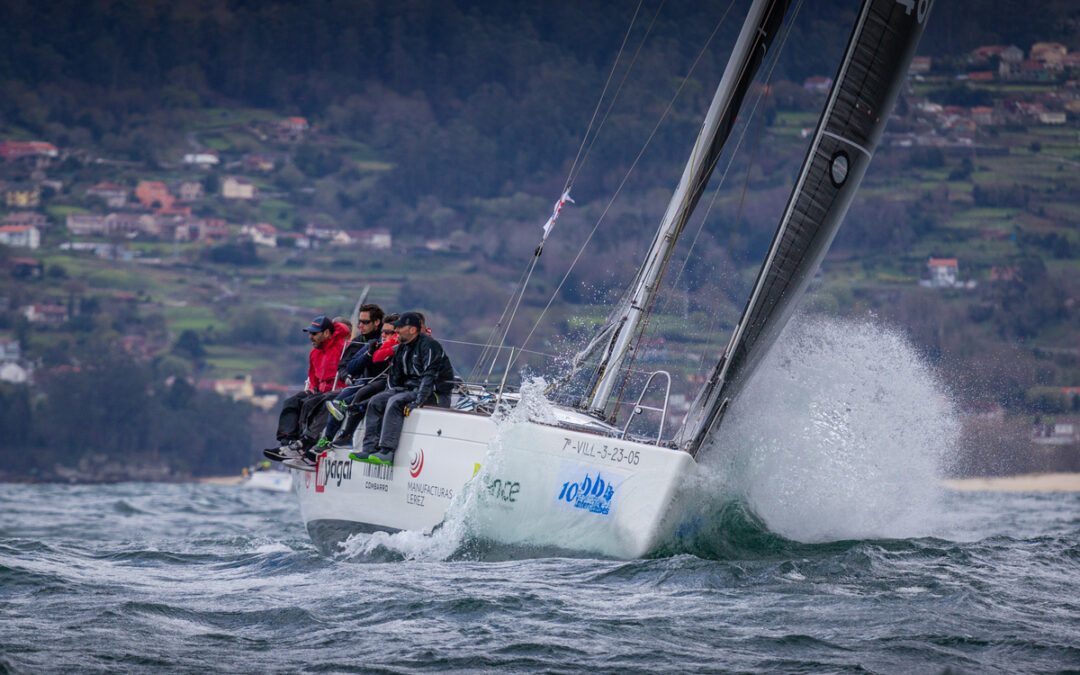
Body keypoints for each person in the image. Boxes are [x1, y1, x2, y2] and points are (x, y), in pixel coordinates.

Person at [350, 311, 455, 466]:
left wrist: (418, 401)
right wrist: (391, 391)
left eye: (400, 327)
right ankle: (370, 449)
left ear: (412, 330)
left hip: (436, 393)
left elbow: (429, 376)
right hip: (411, 390)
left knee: (395, 401)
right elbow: (395, 379)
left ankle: (387, 452)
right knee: (376, 401)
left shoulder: (429, 346)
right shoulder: (402, 348)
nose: (396, 331)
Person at [263, 314, 350, 461]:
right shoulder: (314, 353)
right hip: (320, 390)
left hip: (337, 390)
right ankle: (287, 442)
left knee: (310, 403)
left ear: (327, 333)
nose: (311, 337)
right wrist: (312, 390)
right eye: (310, 333)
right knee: (292, 401)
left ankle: (304, 443)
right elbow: (313, 378)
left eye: (314, 334)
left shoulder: (344, 348)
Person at [321, 314, 400, 449]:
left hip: (380, 384)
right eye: (383, 332)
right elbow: (350, 366)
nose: (383, 335)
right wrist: (369, 354)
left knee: (362, 394)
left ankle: (347, 435)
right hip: (364, 381)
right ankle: (326, 439)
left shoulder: (401, 347)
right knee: (329, 400)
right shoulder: (375, 344)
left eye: (388, 332)